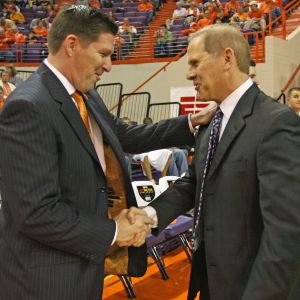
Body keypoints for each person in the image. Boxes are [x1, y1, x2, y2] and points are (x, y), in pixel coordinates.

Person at [0, 5, 217, 300]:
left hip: (83, 263)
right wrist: (113, 232)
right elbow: (35, 212)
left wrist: (190, 122)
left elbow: (126, 134)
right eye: (103, 54)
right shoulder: (28, 106)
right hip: (44, 278)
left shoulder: (85, 93)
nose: (109, 65)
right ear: (72, 45)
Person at [130, 24, 300, 299]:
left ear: (227, 58)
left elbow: (287, 233)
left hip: (252, 286)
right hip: (212, 281)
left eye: (195, 62)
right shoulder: (211, 121)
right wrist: (149, 215)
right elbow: (195, 182)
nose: (189, 73)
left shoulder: (276, 123)